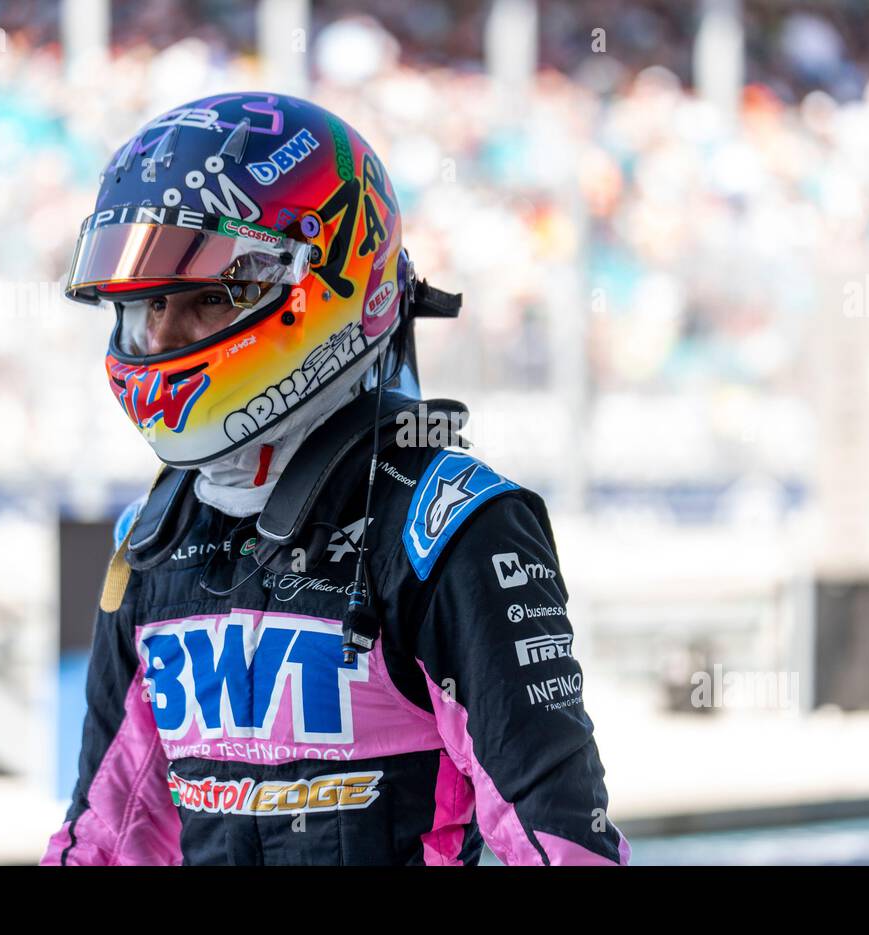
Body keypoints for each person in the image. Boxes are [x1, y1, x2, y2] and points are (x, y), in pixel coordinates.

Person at [41, 93, 630, 866]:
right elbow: (109, 838)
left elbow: (557, 842)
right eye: (145, 305)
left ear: (324, 281)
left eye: (205, 299)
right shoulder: (153, 534)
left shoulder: (449, 523)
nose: (158, 337)